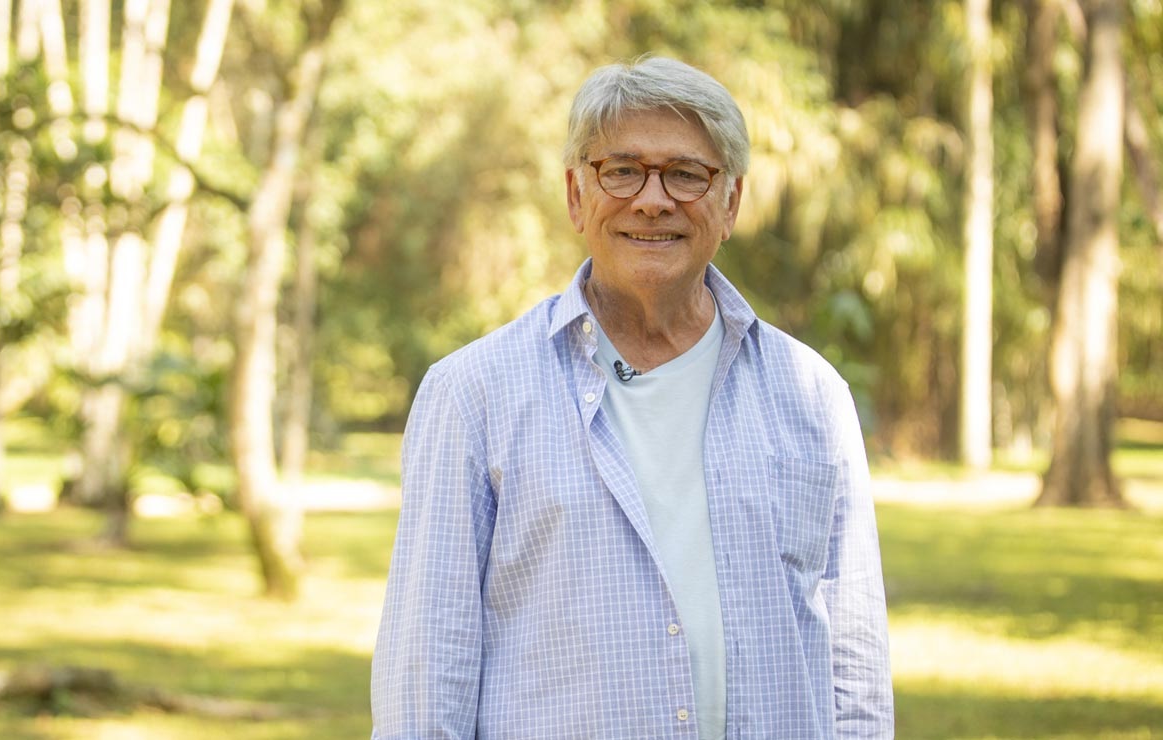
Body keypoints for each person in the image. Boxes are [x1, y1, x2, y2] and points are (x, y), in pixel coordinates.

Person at [371, 56, 894, 739]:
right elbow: (425, 671)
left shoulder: (812, 396)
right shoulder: (473, 396)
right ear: (575, 195)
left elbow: (854, 664)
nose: (653, 199)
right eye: (621, 170)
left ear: (730, 202)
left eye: (687, 174)